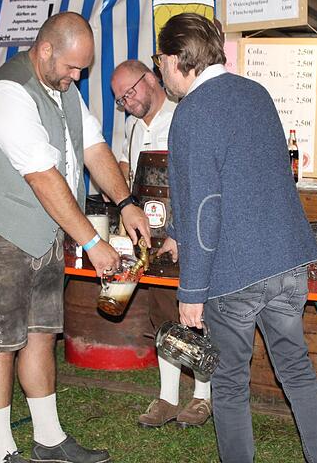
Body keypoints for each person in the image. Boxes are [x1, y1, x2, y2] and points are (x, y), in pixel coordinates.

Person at [0, 12, 151, 463]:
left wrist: (126, 202)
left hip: (42, 226)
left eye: (82, 69)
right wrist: (93, 244)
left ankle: (50, 440)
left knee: (42, 332)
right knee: (2, 338)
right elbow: (44, 177)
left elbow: (94, 148)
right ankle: (0, 451)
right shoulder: (7, 94)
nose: (77, 77)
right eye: (73, 68)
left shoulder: (63, 90)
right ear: (45, 50)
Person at [155, 12, 317, 463]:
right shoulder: (255, 93)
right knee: (296, 370)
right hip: (287, 258)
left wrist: (192, 291)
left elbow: (205, 207)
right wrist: (175, 233)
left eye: (159, 60)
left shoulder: (192, 113)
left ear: (180, 59)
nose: (159, 71)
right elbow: (248, 174)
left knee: (230, 382)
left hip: (235, 270)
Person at [109, 60, 212, 428]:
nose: (127, 101)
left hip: (187, 234)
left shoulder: (183, 116)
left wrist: (180, 233)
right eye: (120, 98)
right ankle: (168, 397)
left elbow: (196, 180)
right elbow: (124, 169)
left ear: (151, 79)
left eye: (130, 92)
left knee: (196, 315)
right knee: (162, 314)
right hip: (149, 237)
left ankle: (203, 397)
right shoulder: (131, 125)